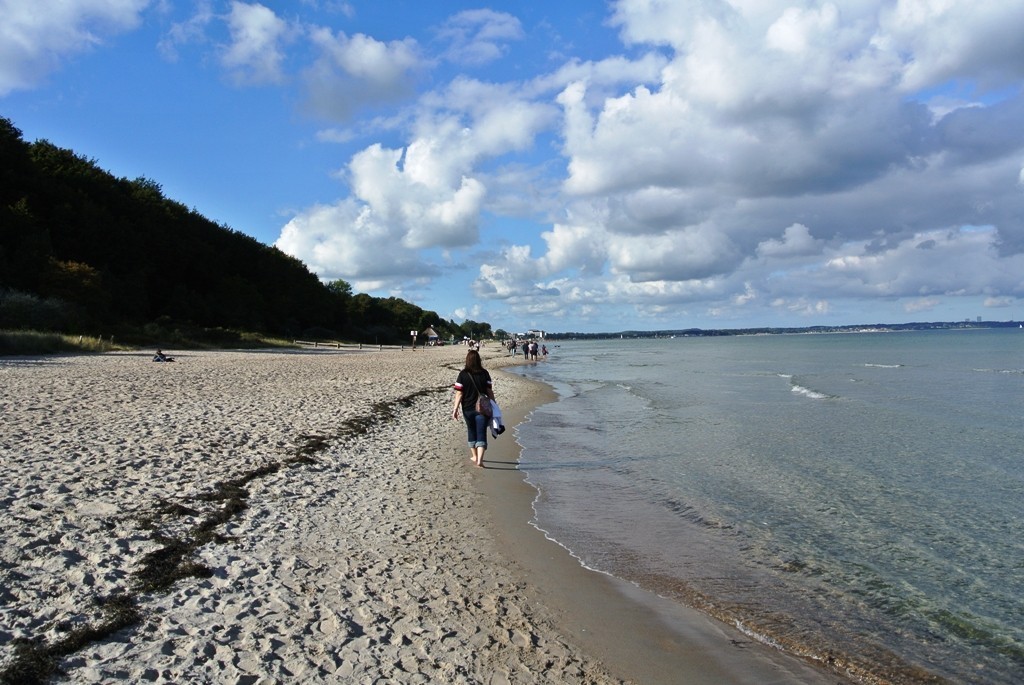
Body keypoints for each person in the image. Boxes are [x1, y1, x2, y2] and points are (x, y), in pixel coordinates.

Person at [451, 349, 494, 467]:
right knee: (481, 432)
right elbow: (489, 391)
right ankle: (480, 460)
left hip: (467, 408)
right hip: (482, 409)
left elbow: (459, 393)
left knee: (471, 431)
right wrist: (494, 404)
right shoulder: (484, 373)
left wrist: (455, 409)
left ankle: (474, 456)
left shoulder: (463, 374)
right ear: (479, 360)